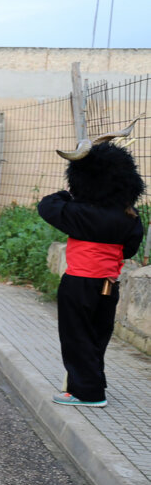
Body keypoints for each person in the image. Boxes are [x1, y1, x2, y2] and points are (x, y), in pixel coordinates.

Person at [38, 131, 145, 408]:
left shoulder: (79, 214)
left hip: (79, 283)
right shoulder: (130, 218)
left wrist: (70, 194)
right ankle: (93, 382)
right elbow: (130, 249)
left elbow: (47, 205)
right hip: (110, 284)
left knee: (76, 337)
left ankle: (88, 393)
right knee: (97, 336)